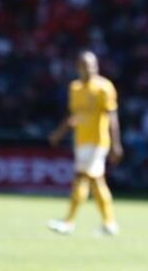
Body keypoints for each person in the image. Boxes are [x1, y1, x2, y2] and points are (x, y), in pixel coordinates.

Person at [47, 51, 123, 236]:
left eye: (92, 65)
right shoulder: (75, 88)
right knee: (97, 182)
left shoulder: (104, 87)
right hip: (81, 141)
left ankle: (68, 222)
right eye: (84, 65)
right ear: (78, 67)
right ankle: (109, 223)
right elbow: (75, 116)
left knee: (81, 177)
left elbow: (111, 116)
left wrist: (116, 144)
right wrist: (59, 133)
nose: (89, 69)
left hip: (98, 142)